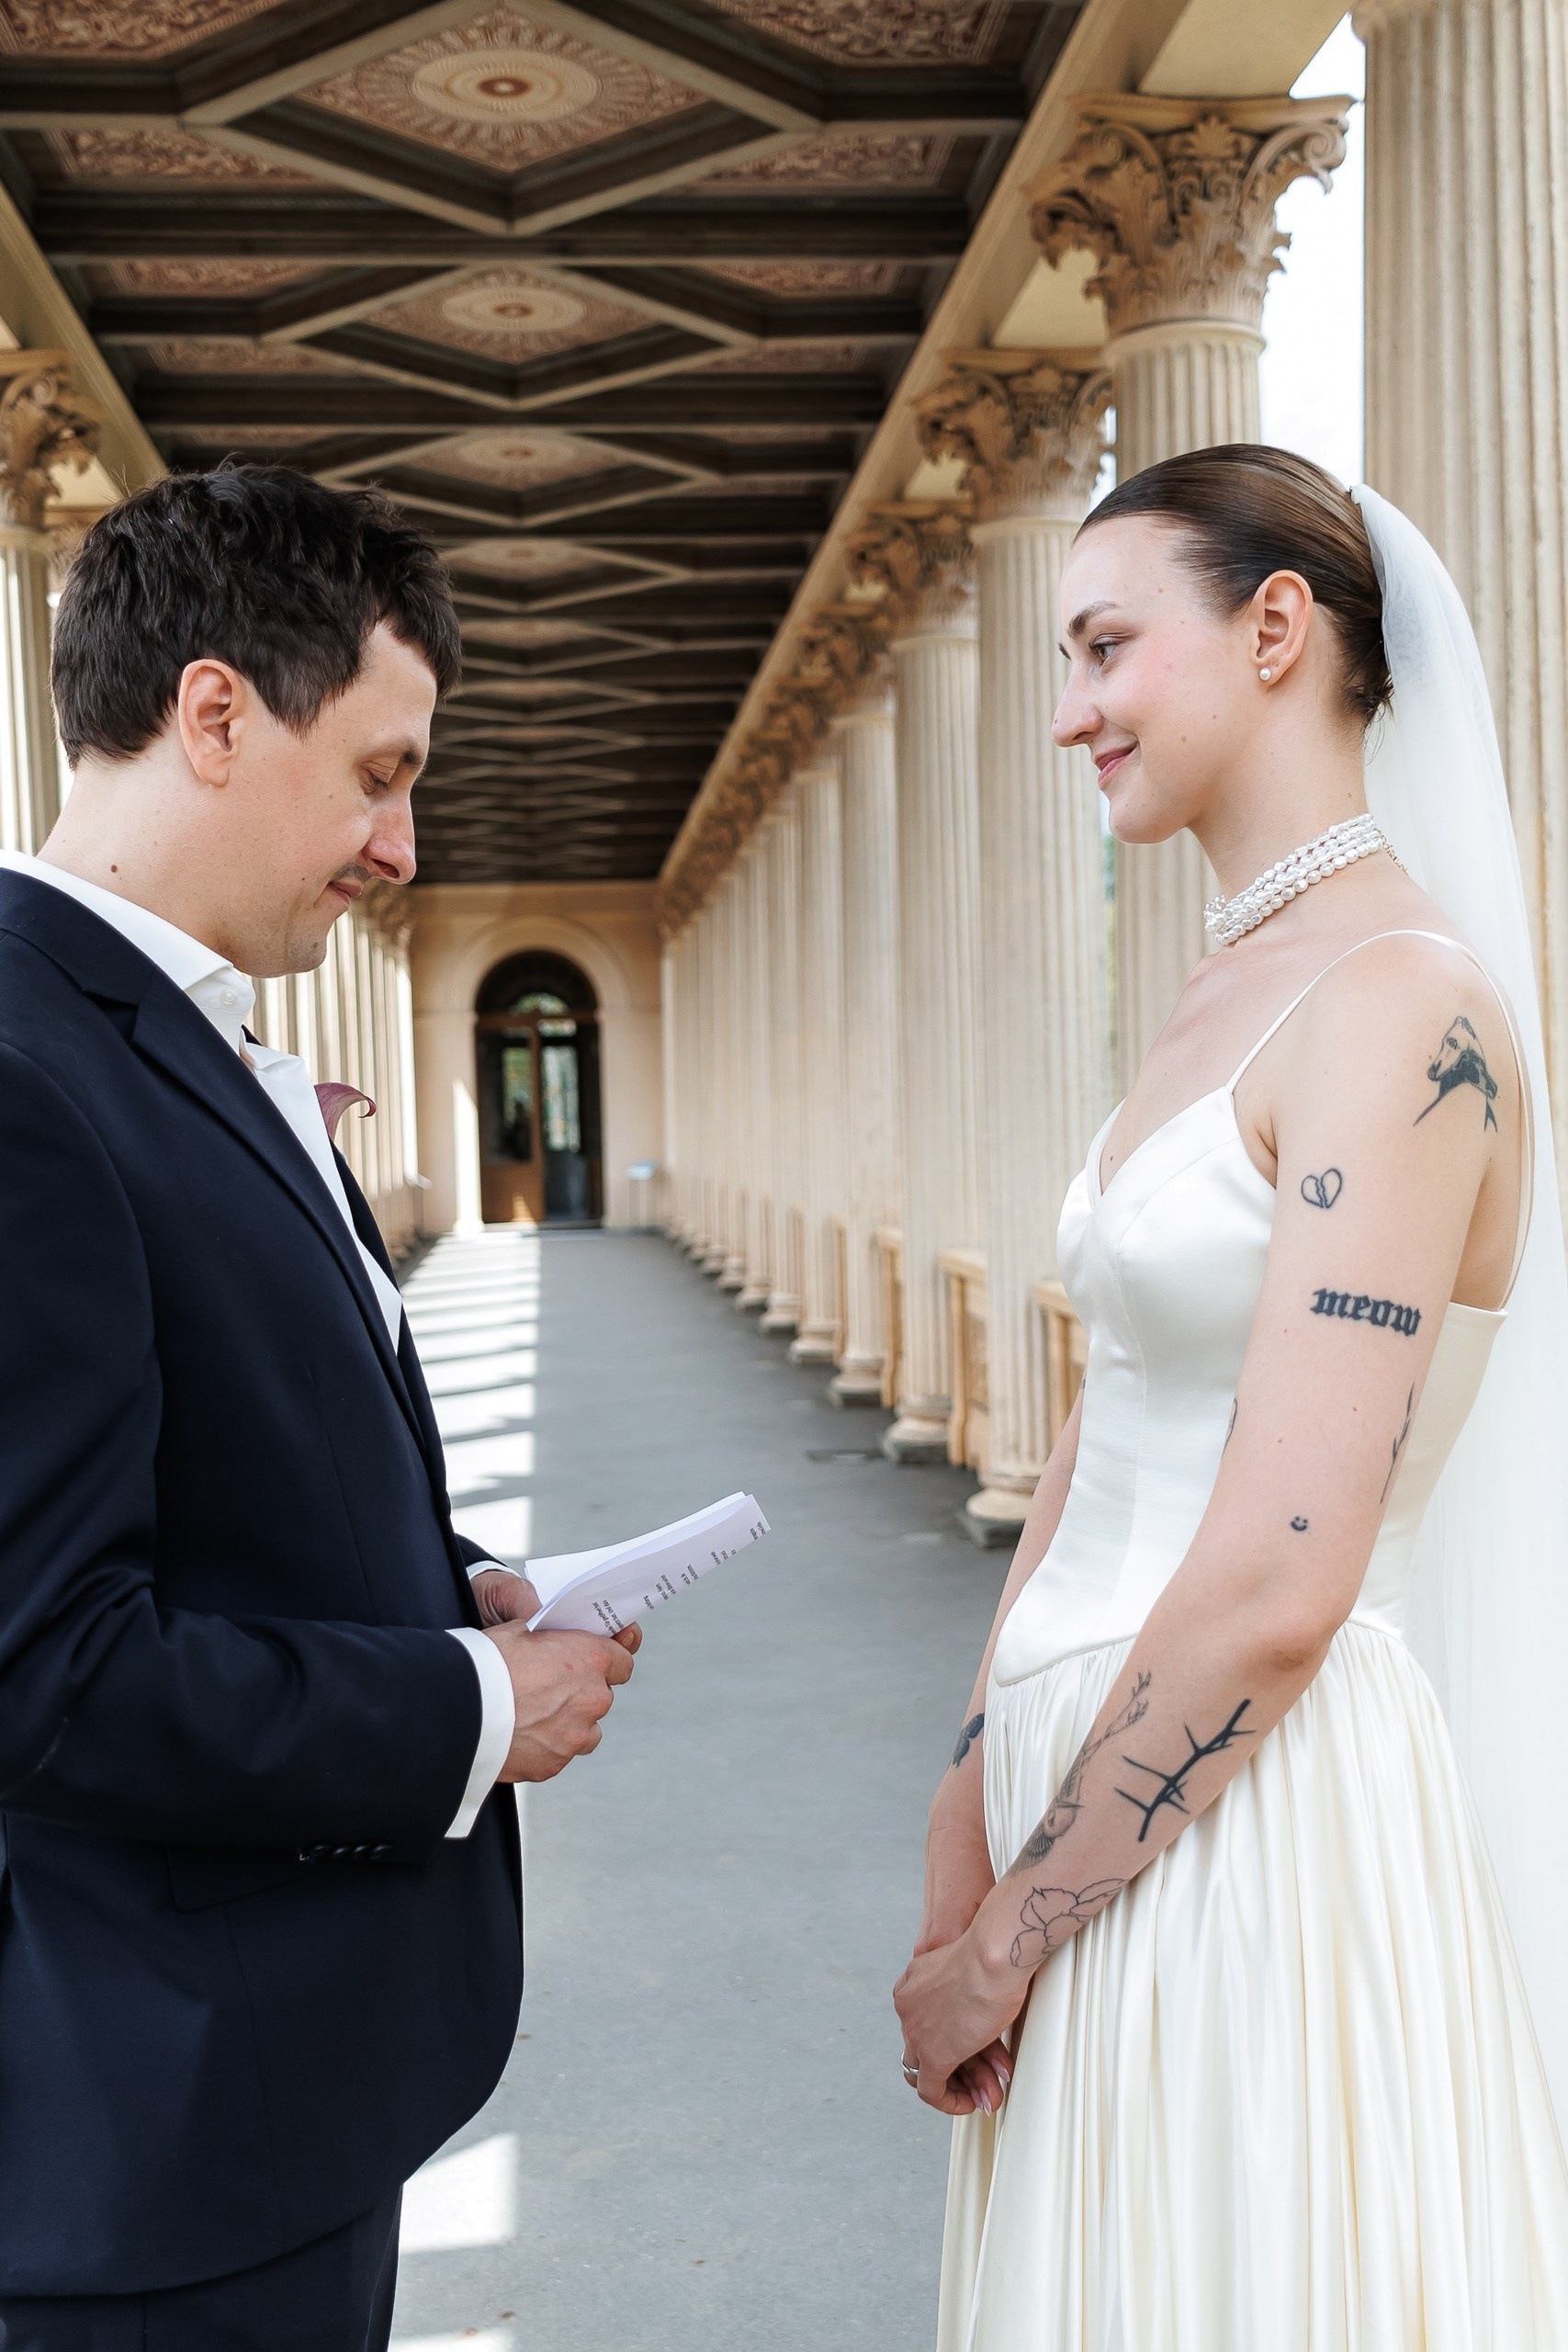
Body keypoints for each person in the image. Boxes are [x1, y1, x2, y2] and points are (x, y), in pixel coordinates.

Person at [896, 447, 1568, 2348]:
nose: (1066, 708)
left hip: (1243, 1829)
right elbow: (1099, 1440)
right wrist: (959, 1825)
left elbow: (1283, 1568)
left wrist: (1007, 1935)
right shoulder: (1222, 990)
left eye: (1106, 645)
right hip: (1088, 1810)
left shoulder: (1396, 1006)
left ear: (1275, 628)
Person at [0, 466, 638, 2349]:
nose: (400, 846)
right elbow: (38, 1664)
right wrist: (461, 1701)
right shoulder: (22, 1070)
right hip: (139, 2143)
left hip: (249, 2102)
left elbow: (194, 1470)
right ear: (213, 712)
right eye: (378, 769)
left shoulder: (136, 1032)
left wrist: (446, 1584)